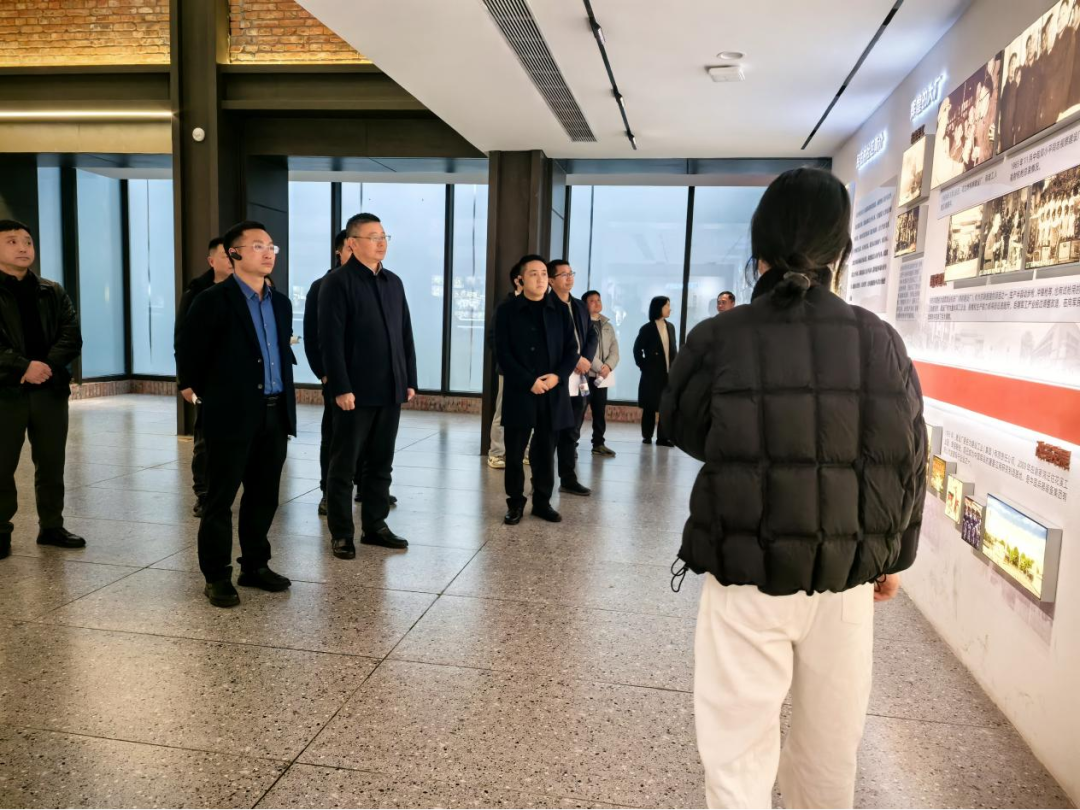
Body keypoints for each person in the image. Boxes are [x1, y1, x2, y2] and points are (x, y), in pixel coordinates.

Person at [661, 168, 925, 810]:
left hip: (745, 570)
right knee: (830, 749)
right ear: (842, 251)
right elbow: (907, 457)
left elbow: (685, 428)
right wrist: (893, 557)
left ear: (761, 249)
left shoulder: (720, 335)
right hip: (845, 578)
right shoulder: (878, 339)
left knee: (736, 750)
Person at [175, 220, 295, 608]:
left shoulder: (280, 303)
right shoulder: (212, 300)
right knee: (220, 498)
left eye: (271, 246)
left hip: (274, 413)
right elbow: (190, 354)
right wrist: (212, 396)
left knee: (264, 496)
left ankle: (255, 565)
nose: (268, 252)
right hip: (230, 415)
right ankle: (216, 575)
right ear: (234, 254)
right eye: (258, 245)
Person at [319, 212, 416, 560]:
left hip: (390, 388)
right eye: (373, 237)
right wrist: (340, 387)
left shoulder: (394, 282)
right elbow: (330, 340)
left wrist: (409, 378)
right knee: (344, 465)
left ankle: (375, 525)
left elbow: (405, 334)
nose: (381, 243)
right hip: (354, 392)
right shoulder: (337, 282)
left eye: (384, 236)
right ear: (352, 243)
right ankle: (342, 533)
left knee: (381, 462)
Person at [0, 219, 84, 560]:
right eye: (12, 241)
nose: (23, 247)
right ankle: (0, 530)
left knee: (51, 462)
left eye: (28, 241)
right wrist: (23, 366)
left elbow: (71, 335)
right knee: (1, 464)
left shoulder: (52, 290)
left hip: (49, 390)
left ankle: (52, 526)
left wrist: (44, 366)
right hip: (5, 392)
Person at [495, 255, 578, 525]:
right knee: (515, 452)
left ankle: (542, 502)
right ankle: (515, 503)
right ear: (521, 279)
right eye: (533, 274)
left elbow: (571, 350)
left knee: (545, 452)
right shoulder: (507, 310)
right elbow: (502, 352)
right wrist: (529, 381)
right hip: (521, 391)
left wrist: (557, 377)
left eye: (543, 273)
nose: (540, 279)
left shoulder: (559, 310)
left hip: (552, 392)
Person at [176, 236, 234, 518]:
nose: (231, 261)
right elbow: (183, 340)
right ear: (212, 261)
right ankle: (203, 493)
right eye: (225, 256)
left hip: (239, 381)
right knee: (205, 440)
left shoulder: (249, 288)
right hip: (208, 380)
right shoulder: (197, 292)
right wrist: (185, 381)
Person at [548, 259, 596, 497]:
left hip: (580, 379)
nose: (569, 278)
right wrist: (575, 359)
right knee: (549, 435)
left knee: (571, 431)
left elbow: (592, 335)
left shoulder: (579, 306)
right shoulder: (547, 306)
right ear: (551, 280)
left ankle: (568, 479)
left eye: (571, 273)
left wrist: (586, 359)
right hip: (558, 377)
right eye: (564, 274)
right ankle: (541, 482)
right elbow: (552, 343)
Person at [488, 264, 526, 469]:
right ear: (518, 280)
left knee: (532, 412)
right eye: (532, 274)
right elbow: (493, 338)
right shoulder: (506, 305)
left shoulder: (540, 305)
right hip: (509, 370)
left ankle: (528, 452)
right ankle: (496, 453)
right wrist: (508, 362)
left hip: (535, 372)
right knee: (503, 411)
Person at [634, 296, 677, 446]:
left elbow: (673, 349)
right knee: (650, 406)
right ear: (658, 308)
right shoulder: (647, 328)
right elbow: (637, 350)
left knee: (665, 406)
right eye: (667, 306)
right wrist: (644, 366)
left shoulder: (671, 327)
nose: (669, 309)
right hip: (651, 374)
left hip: (668, 374)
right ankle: (647, 436)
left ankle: (662, 438)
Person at [582, 289, 619, 457]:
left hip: (602, 378)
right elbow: (584, 350)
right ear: (585, 305)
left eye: (599, 300)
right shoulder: (582, 324)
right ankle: (571, 444)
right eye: (592, 300)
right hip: (584, 377)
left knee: (599, 411)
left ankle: (598, 444)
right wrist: (600, 367)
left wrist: (608, 367)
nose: (597, 303)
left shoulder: (608, 326)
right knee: (580, 410)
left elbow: (615, 351)